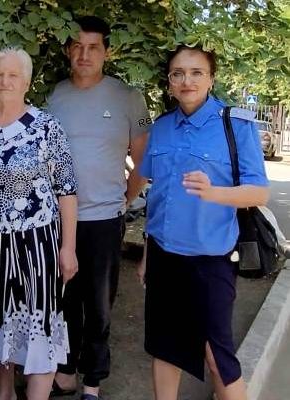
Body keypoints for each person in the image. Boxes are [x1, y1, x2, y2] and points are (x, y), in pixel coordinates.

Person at [138, 45, 269, 400]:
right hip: (164, 257)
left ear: (211, 79)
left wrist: (215, 193)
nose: (187, 80)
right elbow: (157, 198)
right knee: (165, 349)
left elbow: (259, 193)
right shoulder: (162, 127)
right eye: (178, 73)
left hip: (210, 260)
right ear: (169, 82)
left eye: (197, 72)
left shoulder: (235, 125)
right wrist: (148, 255)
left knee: (217, 357)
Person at [0, 48, 78, 400]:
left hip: (35, 244)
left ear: (26, 82)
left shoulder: (47, 126)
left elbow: (67, 190)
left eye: (13, 75)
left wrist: (68, 248)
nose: (5, 81)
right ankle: (4, 391)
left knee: (39, 320)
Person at [46, 15, 151, 399]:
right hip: (58, 220)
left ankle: (93, 380)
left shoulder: (127, 97)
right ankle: (65, 372)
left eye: (93, 47)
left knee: (99, 305)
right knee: (63, 300)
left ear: (107, 52)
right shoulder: (55, 95)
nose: (84, 54)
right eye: (77, 46)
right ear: (67, 50)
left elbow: (143, 161)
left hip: (104, 220)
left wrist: (125, 199)